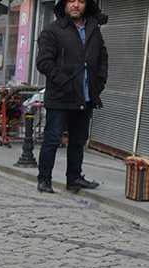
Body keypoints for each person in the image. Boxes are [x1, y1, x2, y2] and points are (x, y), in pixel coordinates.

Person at [35, 0, 108, 194]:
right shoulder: (52, 30)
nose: (76, 5)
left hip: (85, 96)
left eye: (81, 1)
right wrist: (63, 81)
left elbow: (102, 59)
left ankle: (74, 179)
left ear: (87, 5)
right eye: (71, 1)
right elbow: (43, 62)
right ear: (64, 4)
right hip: (60, 96)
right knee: (52, 139)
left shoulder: (94, 29)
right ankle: (44, 179)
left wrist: (99, 84)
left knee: (78, 141)